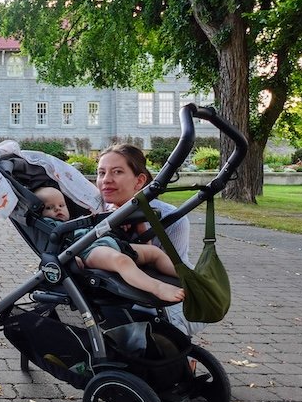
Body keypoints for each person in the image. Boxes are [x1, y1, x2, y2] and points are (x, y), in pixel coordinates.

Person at [95, 143, 205, 336]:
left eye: (117, 172)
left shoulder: (171, 218)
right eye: (101, 172)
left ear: (139, 181)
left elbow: (170, 270)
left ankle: (178, 356)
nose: (106, 180)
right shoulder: (99, 212)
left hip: (175, 297)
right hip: (122, 292)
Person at [34, 186, 184, 303]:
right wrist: (69, 258)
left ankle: (186, 276)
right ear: (39, 213)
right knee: (121, 261)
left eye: (61, 205)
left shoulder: (75, 220)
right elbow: (50, 246)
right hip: (89, 251)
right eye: (49, 207)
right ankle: (157, 288)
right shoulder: (49, 226)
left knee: (154, 252)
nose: (57, 209)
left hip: (113, 243)